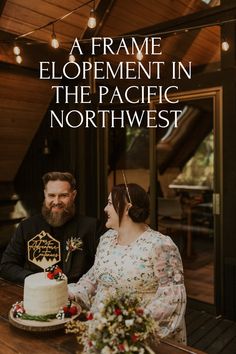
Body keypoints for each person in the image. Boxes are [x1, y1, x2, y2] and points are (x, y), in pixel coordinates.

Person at [68, 183, 187, 344]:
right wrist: (72, 292)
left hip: (137, 336)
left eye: (110, 203)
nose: (105, 209)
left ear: (126, 208)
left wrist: (131, 325)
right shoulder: (106, 239)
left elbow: (171, 299)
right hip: (101, 332)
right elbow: (95, 277)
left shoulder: (160, 246)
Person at [0, 171, 99, 284]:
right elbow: (6, 266)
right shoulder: (27, 227)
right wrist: (36, 279)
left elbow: (100, 268)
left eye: (63, 195)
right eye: (51, 195)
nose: (56, 201)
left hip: (77, 295)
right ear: (45, 194)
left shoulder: (91, 227)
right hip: (37, 295)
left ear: (74, 195)